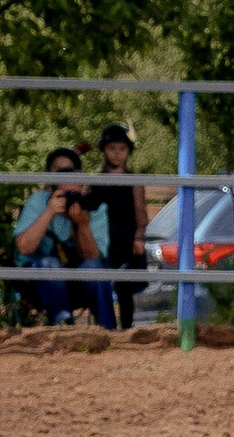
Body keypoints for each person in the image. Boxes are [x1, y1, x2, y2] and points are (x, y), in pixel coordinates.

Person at [16, 147, 110, 327]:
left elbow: (93, 258)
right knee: (48, 264)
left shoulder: (92, 205)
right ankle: (63, 327)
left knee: (94, 268)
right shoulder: (39, 201)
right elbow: (23, 248)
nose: (70, 198)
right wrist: (49, 212)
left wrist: (82, 224)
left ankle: (107, 330)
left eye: (74, 193)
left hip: (80, 281)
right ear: (52, 189)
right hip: (42, 281)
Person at [86, 124, 151, 324]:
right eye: (112, 148)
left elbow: (141, 216)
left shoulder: (134, 182)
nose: (117, 154)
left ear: (128, 152)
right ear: (104, 150)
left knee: (125, 288)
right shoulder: (95, 182)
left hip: (126, 240)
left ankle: (128, 331)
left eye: (122, 149)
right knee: (100, 286)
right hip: (101, 241)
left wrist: (139, 237)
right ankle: (104, 328)